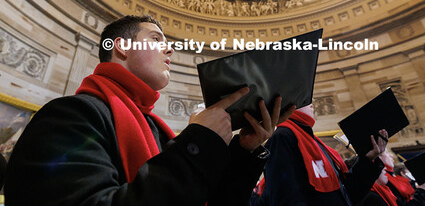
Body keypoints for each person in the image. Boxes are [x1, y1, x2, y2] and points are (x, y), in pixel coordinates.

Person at [4, 15, 295, 205]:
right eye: (157, 40)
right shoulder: (69, 116)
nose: (169, 50)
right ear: (122, 47)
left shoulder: (154, 128)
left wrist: (243, 154)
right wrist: (198, 142)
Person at [250, 104, 388, 206]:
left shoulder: (316, 143)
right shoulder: (283, 136)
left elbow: (347, 195)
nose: (312, 103)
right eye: (306, 98)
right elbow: (286, 199)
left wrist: (368, 160)